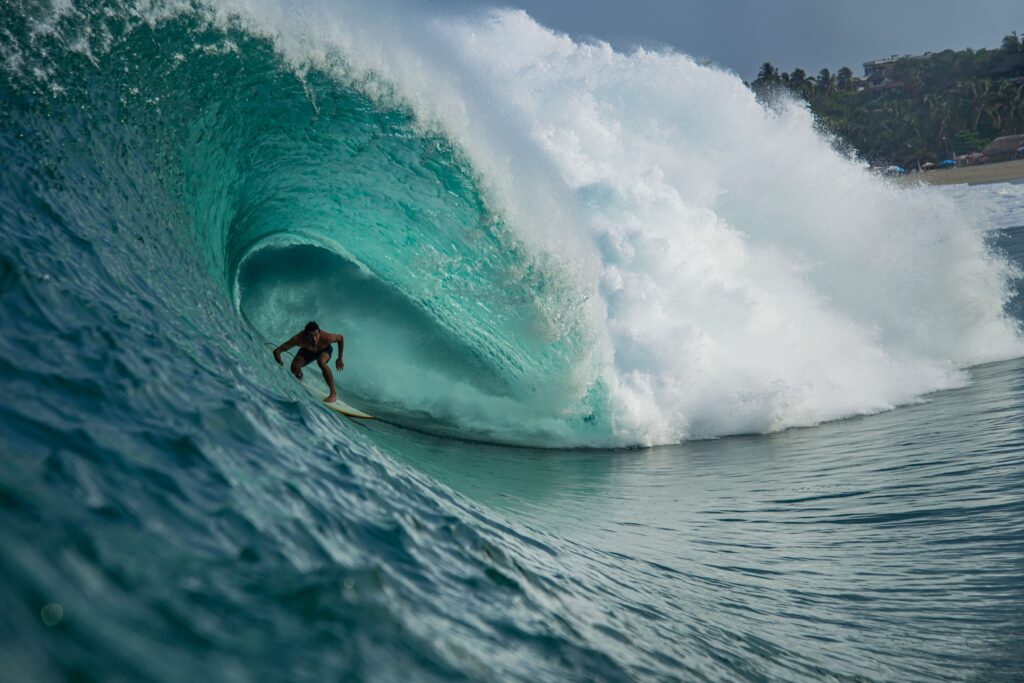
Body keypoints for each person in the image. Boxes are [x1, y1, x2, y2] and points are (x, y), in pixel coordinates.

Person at [273, 321, 344, 403]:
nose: (314, 339)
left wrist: (340, 358)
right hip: (307, 351)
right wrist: (279, 361)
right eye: (311, 336)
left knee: (321, 362)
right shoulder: (298, 339)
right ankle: (299, 379)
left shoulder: (327, 337)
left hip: (324, 350)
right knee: (294, 368)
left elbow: (341, 338)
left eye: (316, 335)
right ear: (305, 335)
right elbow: (277, 351)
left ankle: (333, 393)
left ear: (319, 333)